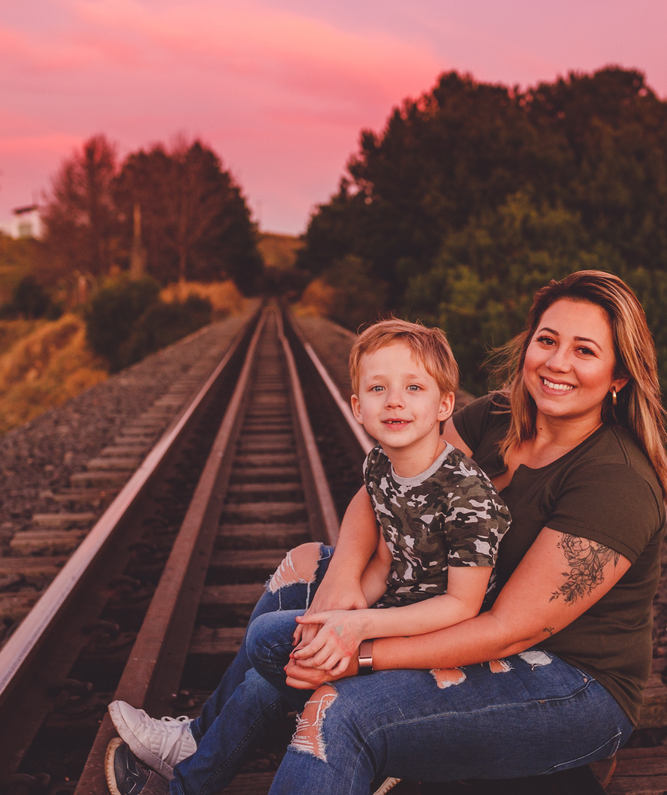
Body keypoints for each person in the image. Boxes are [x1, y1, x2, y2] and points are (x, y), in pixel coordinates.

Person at [105, 319, 512, 795]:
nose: (395, 401)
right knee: (269, 676)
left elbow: (464, 607)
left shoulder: (468, 498)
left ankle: (210, 751)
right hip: (392, 618)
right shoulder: (381, 464)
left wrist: (357, 627)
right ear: (357, 407)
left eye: (413, 387)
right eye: (378, 388)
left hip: (439, 645)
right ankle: (185, 786)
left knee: (267, 639)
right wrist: (338, 615)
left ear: (444, 404)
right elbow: (384, 561)